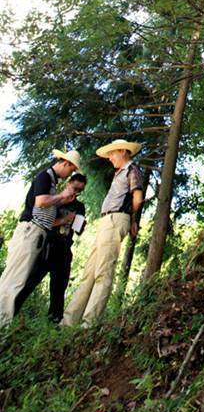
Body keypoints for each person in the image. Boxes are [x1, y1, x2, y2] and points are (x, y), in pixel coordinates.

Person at [62, 140, 144, 327]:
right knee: (89, 272)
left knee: (103, 271)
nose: (110, 158)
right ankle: (68, 322)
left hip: (116, 220)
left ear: (123, 151)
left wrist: (130, 218)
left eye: (112, 154)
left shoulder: (132, 170)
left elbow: (137, 199)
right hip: (107, 221)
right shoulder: (120, 173)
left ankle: (89, 323)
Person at [0, 148, 81, 327]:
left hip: (38, 234)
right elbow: (40, 202)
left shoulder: (52, 182)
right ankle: (2, 325)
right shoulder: (45, 177)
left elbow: (46, 208)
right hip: (31, 231)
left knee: (17, 281)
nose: (70, 174)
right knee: (13, 282)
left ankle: (5, 324)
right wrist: (61, 196)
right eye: (71, 169)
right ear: (65, 163)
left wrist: (62, 201)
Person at [14, 173, 87, 323]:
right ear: (68, 183)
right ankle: (10, 314)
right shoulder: (56, 199)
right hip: (47, 245)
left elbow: (78, 230)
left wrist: (80, 224)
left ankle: (53, 323)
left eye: (80, 190)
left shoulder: (79, 206)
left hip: (65, 248)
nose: (76, 192)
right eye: (74, 188)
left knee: (58, 289)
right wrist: (64, 220)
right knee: (29, 281)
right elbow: (43, 220)